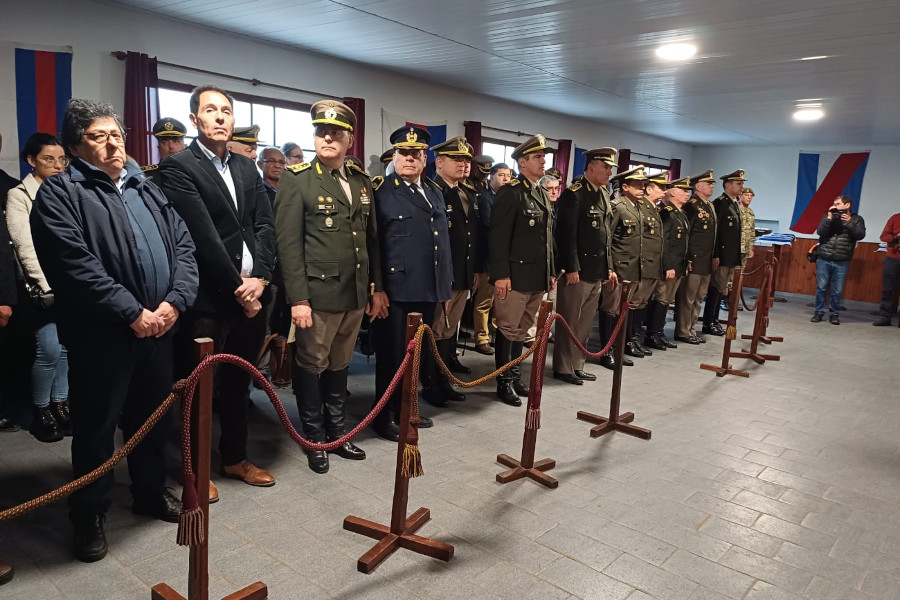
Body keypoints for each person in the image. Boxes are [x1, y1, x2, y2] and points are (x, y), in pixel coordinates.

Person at [31, 98, 198, 562]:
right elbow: (74, 266)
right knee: (97, 428)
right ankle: (89, 513)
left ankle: (148, 493)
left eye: (118, 135)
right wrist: (131, 312)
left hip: (159, 329)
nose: (112, 145)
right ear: (74, 145)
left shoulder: (147, 188)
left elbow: (184, 248)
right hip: (103, 335)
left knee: (153, 420)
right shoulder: (60, 194)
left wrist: (173, 303)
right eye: (98, 137)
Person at [160, 85, 277, 498]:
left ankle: (234, 458)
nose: (221, 117)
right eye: (211, 110)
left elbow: (265, 225)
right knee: (199, 389)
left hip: (253, 294)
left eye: (226, 110)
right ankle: (194, 470)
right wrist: (239, 290)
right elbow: (203, 239)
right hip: (210, 299)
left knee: (237, 386)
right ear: (195, 120)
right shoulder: (179, 167)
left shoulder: (247, 168)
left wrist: (260, 279)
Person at [274, 100, 385, 472]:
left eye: (336, 132)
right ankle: (314, 438)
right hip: (317, 295)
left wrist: (376, 288)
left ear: (349, 139)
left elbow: (372, 241)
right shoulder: (298, 178)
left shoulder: (360, 180)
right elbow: (288, 245)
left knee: (340, 363)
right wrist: (298, 299)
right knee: (311, 363)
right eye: (321, 131)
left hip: (353, 292)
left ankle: (337, 433)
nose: (327, 137)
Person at [371, 126, 451, 440]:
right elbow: (374, 245)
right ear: (394, 155)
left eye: (416, 154)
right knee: (391, 356)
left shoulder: (432, 190)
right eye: (404, 153)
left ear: (425, 158)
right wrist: (376, 288)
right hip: (396, 290)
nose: (410, 159)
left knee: (416, 354)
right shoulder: (381, 191)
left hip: (427, 288)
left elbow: (440, 243)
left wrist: (444, 284)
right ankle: (384, 415)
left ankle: (407, 408)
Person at [6, 133, 70, 443]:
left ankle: (61, 403)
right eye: (49, 159)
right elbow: (23, 246)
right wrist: (48, 285)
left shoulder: (67, 192)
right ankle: (41, 410)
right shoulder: (20, 195)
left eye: (61, 160)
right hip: (39, 288)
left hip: (70, 285)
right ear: (32, 161)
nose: (57, 165)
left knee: (67, 348)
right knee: (48, 349)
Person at [490, 134, 555, 405]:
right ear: (522, 162)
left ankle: (515, 375)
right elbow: (498, 237)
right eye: (538, 157)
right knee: (508, 328)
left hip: (535, 275)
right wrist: (501, 275)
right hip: (514, 276)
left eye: (544, 157)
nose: (543, 161)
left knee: (522, 329)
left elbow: (548, 237)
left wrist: (550, 271)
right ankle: (504, 381)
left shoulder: (539, 191)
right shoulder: (511, 192)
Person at [552, 147, 617, 383]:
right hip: (577, 271)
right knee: (570, 320)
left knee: (586, 321)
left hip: (596, 270)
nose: (609, 172)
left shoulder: (603, 194)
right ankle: (563, 367)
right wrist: (570, 267)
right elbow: (566, 235)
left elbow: (605, 237)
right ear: (591, 167)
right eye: (606, 167)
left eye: (611, 168)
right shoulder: (574, 194)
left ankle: (577, 364)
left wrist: (609, 267)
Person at [426, 137, 478, 404]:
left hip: (462, 274)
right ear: (440, 162)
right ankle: (431, 383)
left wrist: (475, 271)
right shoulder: (432, 190)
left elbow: (471, 236)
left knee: (449, 331)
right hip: (442, 277)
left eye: (466, 159)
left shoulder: (466, 192)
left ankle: (444, 379)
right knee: (435, 331)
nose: (463, 164)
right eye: (457, 159)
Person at [604, 166, 662, 361]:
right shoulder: (618, 206)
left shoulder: (638, 207)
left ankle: (621, 346)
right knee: (611, 310)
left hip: (635, 267)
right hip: (620, 267)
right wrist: (610, 267)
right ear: (625, 187)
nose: (642, 188)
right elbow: (608, 240)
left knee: (625, 309)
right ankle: (607, 351)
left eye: (643, 184)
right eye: (637, 184)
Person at [645, 177, 692, 350]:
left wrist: (685, 262)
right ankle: (652, 333)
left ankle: (659, 332)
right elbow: (663, 242)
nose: (687, 194)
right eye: (683, 190)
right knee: (661, 298)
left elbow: (682, 243)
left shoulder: (681, 213)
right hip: (669, 265)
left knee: (667, 300)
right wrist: (668, 265)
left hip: (679, 264)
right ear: (673, 192)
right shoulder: (667, 213)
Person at [472, 162, 511, 355]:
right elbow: (489, 227)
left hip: (504, 261)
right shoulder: (485, 199)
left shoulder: (510, 198)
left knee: (500, 302)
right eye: (502, 175)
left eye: (509, 176)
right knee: (484, 302)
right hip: (488, 257)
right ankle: (481, 338)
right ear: (492, 177)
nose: (506, 179)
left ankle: (496, 335)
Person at [674, 170, 717, 345]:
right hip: (694, 259)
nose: (712, 186)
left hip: (706, 260)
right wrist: (688, 258)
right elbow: (687, 234)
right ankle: (683, 331)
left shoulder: (709, 205)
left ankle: (691, 328)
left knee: (699, 297)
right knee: (688, 297)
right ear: (698, 187)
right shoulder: (692, 206)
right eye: (709, 184)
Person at [702, 169, 745, 335]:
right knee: (716, 288)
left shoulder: (734, 203)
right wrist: (716, 254)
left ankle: (714, 319)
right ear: (728, 185)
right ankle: (708, 322)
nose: (741, 187)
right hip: (722, 255)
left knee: (721, 289)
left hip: (730, 256)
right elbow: (716, 233)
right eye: (738, 183)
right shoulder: (721, 204)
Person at [811, 195, 866, 325]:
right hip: (824, 257)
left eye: (838, 204)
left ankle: (834, 314)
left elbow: (860, 235)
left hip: (842, 260)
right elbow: (821, 232)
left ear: (847, 205)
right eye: (834, 204)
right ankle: (818, 313)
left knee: (837, 290)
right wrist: (829, 218)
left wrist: (849, 223)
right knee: (821, 287)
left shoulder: (857, 219)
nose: (835, 206)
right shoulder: (827, 217)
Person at [142, 118, 187, 186]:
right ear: (159, 148)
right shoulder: (146, 176)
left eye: (176, 141)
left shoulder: (198, 172)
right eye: (164, 142)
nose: (171, 146)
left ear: (185, 146)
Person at [874, 211, 900, 326]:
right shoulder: (895, 218)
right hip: (892, 258)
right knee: (888, 289)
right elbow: (883, 236)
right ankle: (885, 317)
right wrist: (895, 238)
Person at [739, 187, 756, 267]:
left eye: (751, 196)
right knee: (731, 274)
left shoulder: (751, 212)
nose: (749, 197)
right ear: (740, 196)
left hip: (745, 248)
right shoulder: (735, 210)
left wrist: (750, 248)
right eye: (746, 195)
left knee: (741, 273)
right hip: (735, 248)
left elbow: (752, 231)